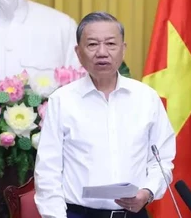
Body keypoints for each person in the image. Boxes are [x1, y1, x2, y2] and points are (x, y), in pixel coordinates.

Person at [34, 12, 176, 218]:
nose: (102, 52)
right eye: (92, 45)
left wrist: (147, 192)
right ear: (78, 52)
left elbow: (162, 158)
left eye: (110, 44)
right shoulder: (62, 101)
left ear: (123, 49)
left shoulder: (146, 98)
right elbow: (48, 172)